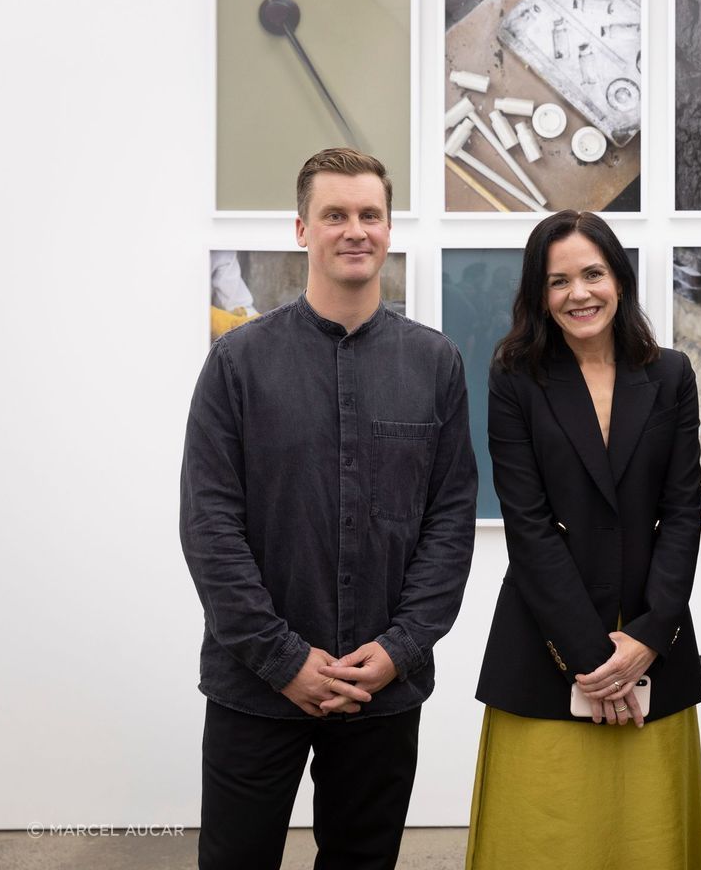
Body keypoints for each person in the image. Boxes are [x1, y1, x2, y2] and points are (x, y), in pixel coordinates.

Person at [180, 147, 478, 870]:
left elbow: (449, 523)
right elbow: (209, 526)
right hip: (256, 687)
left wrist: (399, 651)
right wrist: (285, 661)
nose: (356, 229)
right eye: (335, 214)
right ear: (301, 230)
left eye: (370, 214)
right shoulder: (238, 363)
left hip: (383, 686)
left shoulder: (434, 364)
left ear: (387, 228)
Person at [466, 210, 701, 870]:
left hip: (650, 645)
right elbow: (529, 524)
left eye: (593, 273)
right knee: (545, 836)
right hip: (548, 645)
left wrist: (648, 640)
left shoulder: (671, 375)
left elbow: (684, 511)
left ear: (620, 279)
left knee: (647, 836)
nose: (580, 293)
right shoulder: (515, 376)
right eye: (558, 280)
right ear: (538, 295)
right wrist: (594, 662)